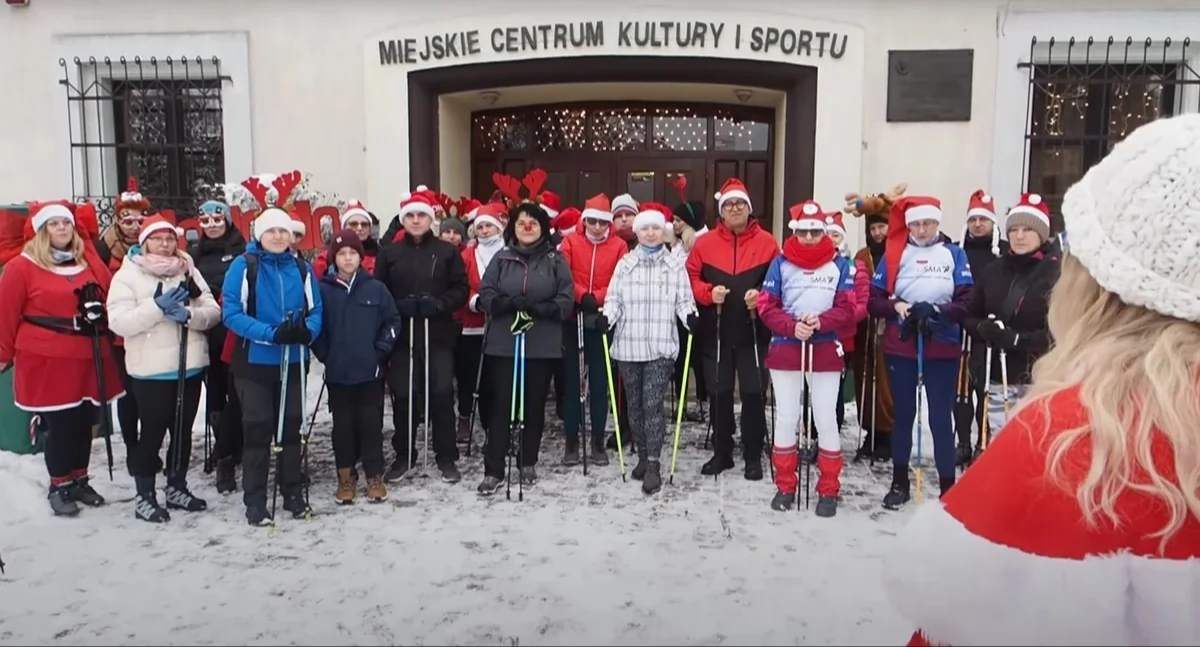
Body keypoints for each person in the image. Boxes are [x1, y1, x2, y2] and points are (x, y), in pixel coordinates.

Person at [881, 113, 1200, 647]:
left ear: (1097, 279)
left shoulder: (1072, 439)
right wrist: (982, 328)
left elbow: (955, 623)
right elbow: (974, 306)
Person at [0, 203, 124, 516]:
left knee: (86, 420)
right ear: (41, 231)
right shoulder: (22, 267)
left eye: (65, 223)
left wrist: (100, 312)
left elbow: (110, 295)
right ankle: (60, 484)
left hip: (88, 351)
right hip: (47, 358)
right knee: (61, 423)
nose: (61, 229)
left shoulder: (87, 262)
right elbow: (5, 314)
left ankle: (80, 479)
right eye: (53, 224)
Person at [106, 214, 221, 522]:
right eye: (158, 239)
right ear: (145, 243)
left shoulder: (188, 270)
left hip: (190, 365)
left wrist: (187, 315)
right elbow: (119, 322)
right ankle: (144, 495)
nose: (166, 244)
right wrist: (157, 308)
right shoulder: (128, 276)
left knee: (182, 431)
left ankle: (176, 485)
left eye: (170, 238)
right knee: (153, 431)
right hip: (151, 370)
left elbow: (212, 311)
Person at [867, 196, 973, 508]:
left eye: (928, 223)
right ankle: (899, 482)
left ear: (938, 223)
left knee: (941, 419)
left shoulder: (954, 253)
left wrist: (939, 311)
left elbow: (967, 301)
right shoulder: (894, 254)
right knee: (904, 416)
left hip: (942, 344)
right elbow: (873, 301)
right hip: (903, 344)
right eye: (916, 223)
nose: (922, 229)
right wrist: (897, 305)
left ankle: (948, 487)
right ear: (909, 224)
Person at [222, 207, 323, 527]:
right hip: (255, 361)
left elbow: (316, 309)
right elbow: (232, 313)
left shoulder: (302, 268)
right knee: (258, 429)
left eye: (283, 231)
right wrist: (270, 334)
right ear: (259, 235)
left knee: (291, 428)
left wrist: (307, 332)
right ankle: (255, 499)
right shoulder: (244, 266)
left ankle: (292, 490)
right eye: (271, 231)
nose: (278, 236)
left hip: (293, 359)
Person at [757, 201, 856, 515]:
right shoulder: (780, 263)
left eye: (815, 231)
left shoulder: (840, 265)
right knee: (787, 417)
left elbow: (848, 306)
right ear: (795, 232)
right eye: (804, 232)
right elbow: (766, 305)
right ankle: (785, 484)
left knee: (825, 417)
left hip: (825, 348)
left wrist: (821, 322)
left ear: (824, 232)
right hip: (787, 347)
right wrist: (791, 326)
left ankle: (828, 488)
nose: (810, 237)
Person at [474, 202, 573, 495]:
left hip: (541, 343)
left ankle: (527, 460)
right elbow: (486, 292)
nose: (527, 228)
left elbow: (566, 300)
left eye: (533, 222)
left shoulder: (556, 259)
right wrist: (504, 304)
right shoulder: (502, 258)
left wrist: (545, 308)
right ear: (513, 228)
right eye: (520, 223)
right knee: (501, 405)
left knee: (533, 404)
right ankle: (493, 469)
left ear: (543, 227)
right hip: (505, 343)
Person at [598, 202, 697, 494]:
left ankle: (653, 463)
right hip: (628, 346)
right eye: (645, 229)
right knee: (635, 407)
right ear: (638, 232)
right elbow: (614, 299)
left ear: (663, 231)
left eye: (656, 228)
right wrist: (607, 318)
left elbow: (684, 300)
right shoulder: (625, 265)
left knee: (652, 404)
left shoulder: (675, 265)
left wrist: (690, 316)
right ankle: (642, 455)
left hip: (660, 346)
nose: (651, 233)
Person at [687, 178, 780, 480]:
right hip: (717, 329)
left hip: (755, 331)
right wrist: (706, 293)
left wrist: (763, 297)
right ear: (721, 211)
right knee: (719, 392)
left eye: (740, 203)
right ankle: (722, 452)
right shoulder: (704, 244)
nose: (735, 208)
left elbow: (778, 282)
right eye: (728, 204)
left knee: (754, 393)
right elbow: (690, 278)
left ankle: (753, 454)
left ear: (749, 208)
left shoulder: (767, 242)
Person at [374, 191, 469, 484]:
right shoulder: (390, 252)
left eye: (422, 216)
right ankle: (404, 455)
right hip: (403, 335)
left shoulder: (446, 251)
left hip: (436, 332)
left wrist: (440, 304)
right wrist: (397, 305)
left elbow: (460, 288)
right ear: (404, 220)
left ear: (431, 220)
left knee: (441, 394)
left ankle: (446, 456)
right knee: (404, 396)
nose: (416, 221)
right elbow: (379, 289)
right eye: (411, 216)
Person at [312, 229, 400, 504]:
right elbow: (315, 327)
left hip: (370, 372)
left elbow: (393, 321)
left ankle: (374, 475)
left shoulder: (376, 288)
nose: (348, 258)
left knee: (371, 425)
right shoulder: (323, 290)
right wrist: (326, 354)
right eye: (342, 254)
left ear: (361, 257)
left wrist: (381, 351)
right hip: (339, 374)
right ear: (333, 258)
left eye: (353, 253)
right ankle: (345, 477)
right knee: (343, 428)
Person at [962, 193, 1059, 444]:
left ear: (1041, 233)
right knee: (1000, 445)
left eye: (1027, 229)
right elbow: (970, 316)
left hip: (1039, 377)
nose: (1019, 235)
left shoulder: (1057, 273)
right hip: (997, 378)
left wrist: (1016, 339)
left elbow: (1062, 332)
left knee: (1034, 443)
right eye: (1014, 229)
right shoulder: (994, 270)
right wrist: (983, 328)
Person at [559, 194, 627, 466]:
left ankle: (598, 439)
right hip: (573, 316)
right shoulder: (570, 242)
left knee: (600, 383)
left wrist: (597, 298)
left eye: (602, 222)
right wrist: (579, 294)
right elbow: (562, 273)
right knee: (573, 382)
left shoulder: (620, 245)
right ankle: (571, 440)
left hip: (602, 318)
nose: (597, 227)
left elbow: (619, 280)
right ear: (584, 220)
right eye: (592, 222)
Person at [188, 199, 247, 493]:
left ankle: (234, 447)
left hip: (234, 335)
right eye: (206, 221)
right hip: (205, 333)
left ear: (227, 221)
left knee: (237, 394)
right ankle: (222, 444)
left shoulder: (240, 250)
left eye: (217, 219)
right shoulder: (194, 255)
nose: (212, 226)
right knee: (215, 396)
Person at [846, 185, 904, 462]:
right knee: (864, 379)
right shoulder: (861, 256)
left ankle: (887, 434)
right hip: (864, 329)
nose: (877, 233)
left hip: (890, 327)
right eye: (873, 230)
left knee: (885, 382)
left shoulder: (899, 255)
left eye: (881, 228)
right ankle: (869, 430)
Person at [954, 190, 1009, 464]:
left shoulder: (1004, 251)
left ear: (992, 222)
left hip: (989, 332)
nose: (978, 224)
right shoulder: (955, 250)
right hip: (961, 328)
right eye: (973, 219)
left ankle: (983, 440)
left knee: (984, 388)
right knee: (960, 390)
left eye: (983, 219)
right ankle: (962, 440)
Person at [98, 178, 149, 465]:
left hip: (148, 328)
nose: (133, 226)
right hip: (118, 332)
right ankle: (132, 446)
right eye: (126, 220)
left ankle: (148, 443)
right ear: (118, 219)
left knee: (148, 391)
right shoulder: (104, 247)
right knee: (129, 391)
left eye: (138, 220)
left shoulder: (154, 243)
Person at [456, 203, 506, 444]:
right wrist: (475, 301)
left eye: (489, 226)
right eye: (480, 227)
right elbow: (460, 285)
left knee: (497, 379)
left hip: (503, 326)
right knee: (471, 375)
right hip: (473, 325)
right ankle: (467, 417)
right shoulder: (467, 255)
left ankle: (497, 426)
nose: (484, 231)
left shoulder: (509, 252)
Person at [825, 211, 870, 432]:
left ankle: (831, 433)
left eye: (835, 235)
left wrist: (841, 318)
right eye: (827, 235)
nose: (831, 239)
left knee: (835, 389)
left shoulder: (855, 266)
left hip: (842, 338)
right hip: (814, 335)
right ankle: (812, 433)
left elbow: (862, 303)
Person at [671, 192, 709, 422]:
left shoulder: (700, 245)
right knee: (680, 358)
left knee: (699, 359)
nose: (674, 224)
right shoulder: (675, 246)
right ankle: (682, 402)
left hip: (698, 310)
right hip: (677, 311)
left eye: (678, 220)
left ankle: (702, 402)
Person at [311, 201, 381, 276]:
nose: (360, 228)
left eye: (364, 224)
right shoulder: (326, 257)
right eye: (354, 224)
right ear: (344, 227)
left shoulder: (380, 253)